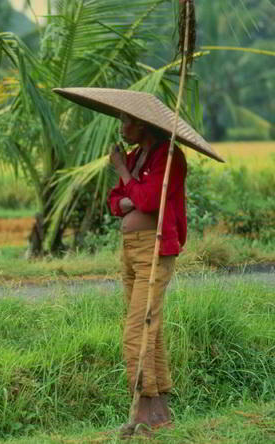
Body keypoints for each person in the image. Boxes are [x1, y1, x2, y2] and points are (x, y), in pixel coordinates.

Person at [108, 112, 187, 436]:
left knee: (137, 329)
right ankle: (159, 411)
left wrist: (123, 172)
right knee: (149, 328)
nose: (122, 128)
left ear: (142, 124)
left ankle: (141, 411)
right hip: (130, 249)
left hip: (154, 249)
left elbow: (149, 199)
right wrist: (128, 191)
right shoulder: (136, 155)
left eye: (126, 122)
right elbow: (115, 201)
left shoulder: (169, 157)